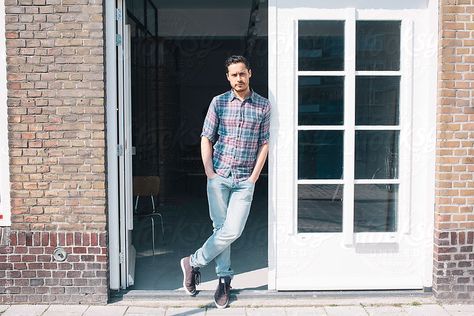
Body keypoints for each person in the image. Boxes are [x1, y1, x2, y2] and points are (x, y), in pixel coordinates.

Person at [180, 55, 271, 309]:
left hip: (245, 180)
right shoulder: (218, 102)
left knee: (232, 230)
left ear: (250, 73)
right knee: (220, 229)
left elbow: (265, 143)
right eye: (234, 75)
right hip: (219, 176)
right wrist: (209, 171)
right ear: (228, 77)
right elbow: (206, 136)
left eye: (242, 73)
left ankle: (193, 262)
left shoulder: (263, 106)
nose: (238, 79)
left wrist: (254, 177)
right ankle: (224, 279)